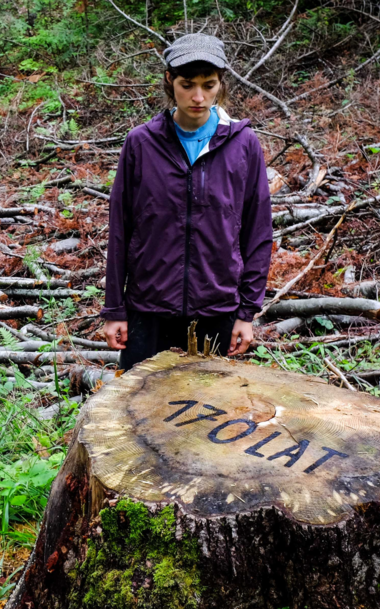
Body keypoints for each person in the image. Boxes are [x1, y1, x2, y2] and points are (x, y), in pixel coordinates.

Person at [101, 32, 273, 369]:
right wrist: (115, 309)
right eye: (186, 84)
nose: (198, 96)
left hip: (218, 310)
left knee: (212, 413)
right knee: (141, 413)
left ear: (221, 84)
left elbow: (257, 231)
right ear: (169, 80)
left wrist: (247, 312)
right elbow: (120, 229)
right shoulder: (141, 144)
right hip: (149, 309)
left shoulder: (243, 145)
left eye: (209, 85)